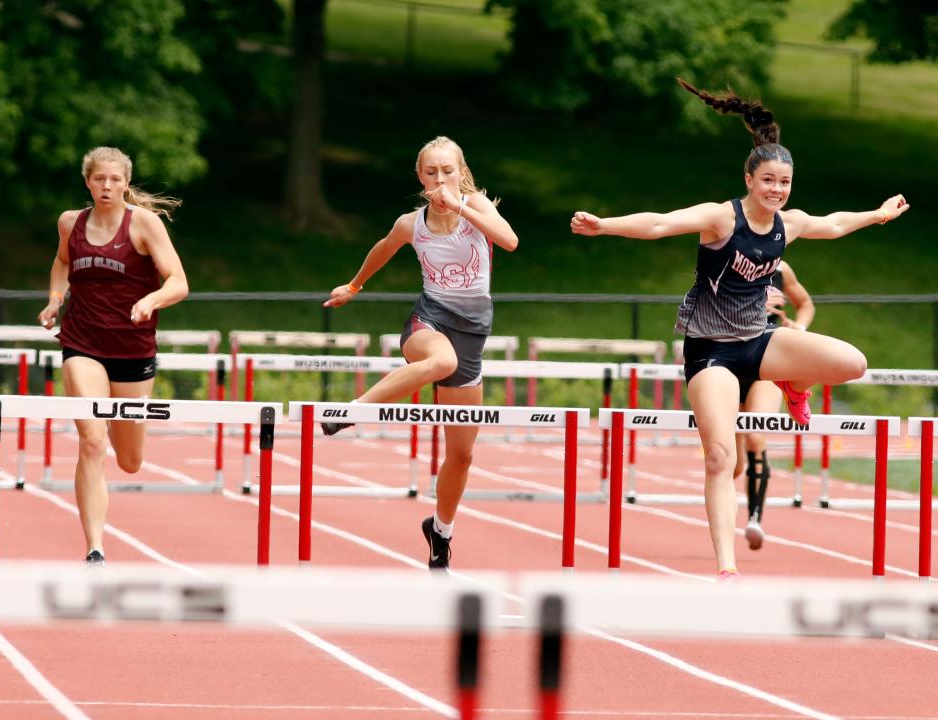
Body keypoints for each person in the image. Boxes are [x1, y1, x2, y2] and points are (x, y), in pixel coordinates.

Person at [570, 80, 909, 579]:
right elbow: (661, 223)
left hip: (759, 342)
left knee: (852, 363)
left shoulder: (787, 224)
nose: (777, 190)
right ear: (750, 179)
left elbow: (833, 224)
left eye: (785, 183)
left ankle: (797, 383)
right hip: (710, 352)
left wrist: (877, 215)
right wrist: (606, 225)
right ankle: (726, 568)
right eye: (769, 181)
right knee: (720, 456)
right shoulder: (720, 219)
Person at [322, 136, 519, 570]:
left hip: (473, 333)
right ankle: (352, 409)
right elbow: (384, 248)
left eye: (447, 171)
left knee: (463, 454)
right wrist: (354, 286)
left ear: (460, 172)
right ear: (420, 178)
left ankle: (440, 531)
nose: (439, 179)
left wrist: (461, 204)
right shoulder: (413, 223)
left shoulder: (478, 208)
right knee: (439, 361)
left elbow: (509, 241)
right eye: (431, 173)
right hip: (428, 323)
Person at [38, 147, 189, 565]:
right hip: (82, 344)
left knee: (130, 461)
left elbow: (178, 281)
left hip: (132, 349)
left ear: (126, 183)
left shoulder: (144, 224)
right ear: (87, 181)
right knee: (91, 440)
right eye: (99, 179)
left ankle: (126, 461)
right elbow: (61, 262)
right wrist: (55, 300)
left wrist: (153, 300)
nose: (107, 187)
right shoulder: (71, 223)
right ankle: (95, 549)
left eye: (115, 180)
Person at [735, 260, 814, 551]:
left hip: (765, 360)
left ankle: (755, 518)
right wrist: (752, 302)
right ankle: (723, 509)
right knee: (731, 463)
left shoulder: (782, 269)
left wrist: (799, 326)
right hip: (727, 359)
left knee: (756, 436)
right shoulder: (723, 259)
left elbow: (805, 303)